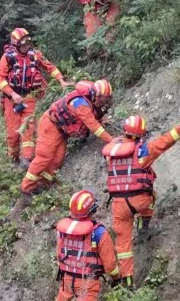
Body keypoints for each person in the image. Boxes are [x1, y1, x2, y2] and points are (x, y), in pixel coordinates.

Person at [101, 114, 180, 286]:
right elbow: (166, 140)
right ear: (141, 135)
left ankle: (127, 281)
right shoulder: (143, 152)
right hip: (140, 201)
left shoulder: (111, 154)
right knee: (151, 196)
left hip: (119, 205)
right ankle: (144, 226)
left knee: (123, 244)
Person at [15, 78, 113, 209]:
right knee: (44, 157)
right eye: (102, 98)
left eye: (106, 99)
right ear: (95, 94)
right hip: (50, 126)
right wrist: (111, 140)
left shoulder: (90, 99)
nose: (103, 101)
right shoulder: (81, 104)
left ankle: (42, 185)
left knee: (57, 160)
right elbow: (94, 127)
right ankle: (26, 189)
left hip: (62, 131)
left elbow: (94, 118)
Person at [0, 27, 69, 167]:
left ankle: (26, 160)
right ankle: (12, 159)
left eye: (28, 43)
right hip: (11, 100)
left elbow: (50, 67)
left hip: (30, 97)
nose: (27, 46)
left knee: (28, 128)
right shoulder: (8, 58)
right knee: (13, 134)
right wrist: (13, 94)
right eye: (23, 44)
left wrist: (61, 80)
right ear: (16, 44)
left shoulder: (35, 55)